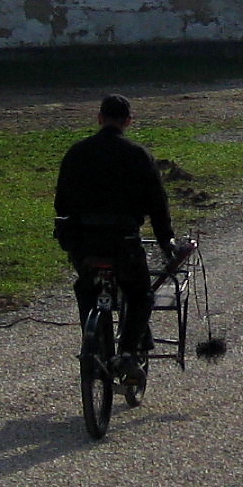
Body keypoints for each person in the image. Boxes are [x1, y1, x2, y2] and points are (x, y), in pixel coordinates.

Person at [53, 94, 176, 383]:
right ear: (128, 122)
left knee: (87, 289)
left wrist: (70, 239)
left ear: (99, 118)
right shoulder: (138, 155)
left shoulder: (76, 153)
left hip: (85, 242)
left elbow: (62, 203)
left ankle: (92, 346)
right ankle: (128, 353)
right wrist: (165, 241)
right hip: (123, 242)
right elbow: (158, 205)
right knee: (140, 294)